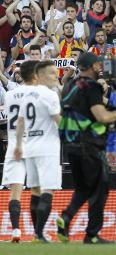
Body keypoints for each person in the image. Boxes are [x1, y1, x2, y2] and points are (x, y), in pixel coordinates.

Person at [56, 53, 116, 244]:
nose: (100, 66)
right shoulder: (93, 86)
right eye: (97, 64)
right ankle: (92, 234)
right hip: (90, 146)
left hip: (70, 146)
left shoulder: (70, 85)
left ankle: (65, 218)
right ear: (90, 66)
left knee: (82, 189)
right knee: (100, 189)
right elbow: (101, 116)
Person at [13, 60, 62, 243]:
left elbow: (20, 122)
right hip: (48, 147)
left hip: (30, 146)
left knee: (35, 191)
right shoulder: (50, 95)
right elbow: (58, 120)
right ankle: (39, 234)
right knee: (48, 190)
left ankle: (36, 233)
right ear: (39, 75)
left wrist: (18, 145)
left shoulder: (27, 96)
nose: (55, 76)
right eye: (51, 73)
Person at [1, 61, 32, 243]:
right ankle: (40, 232)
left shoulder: (9, 95)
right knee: (39, 189)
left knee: (15, 191)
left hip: (14, 145)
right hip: (34, 143)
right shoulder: (36, 94)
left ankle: (16, 230)